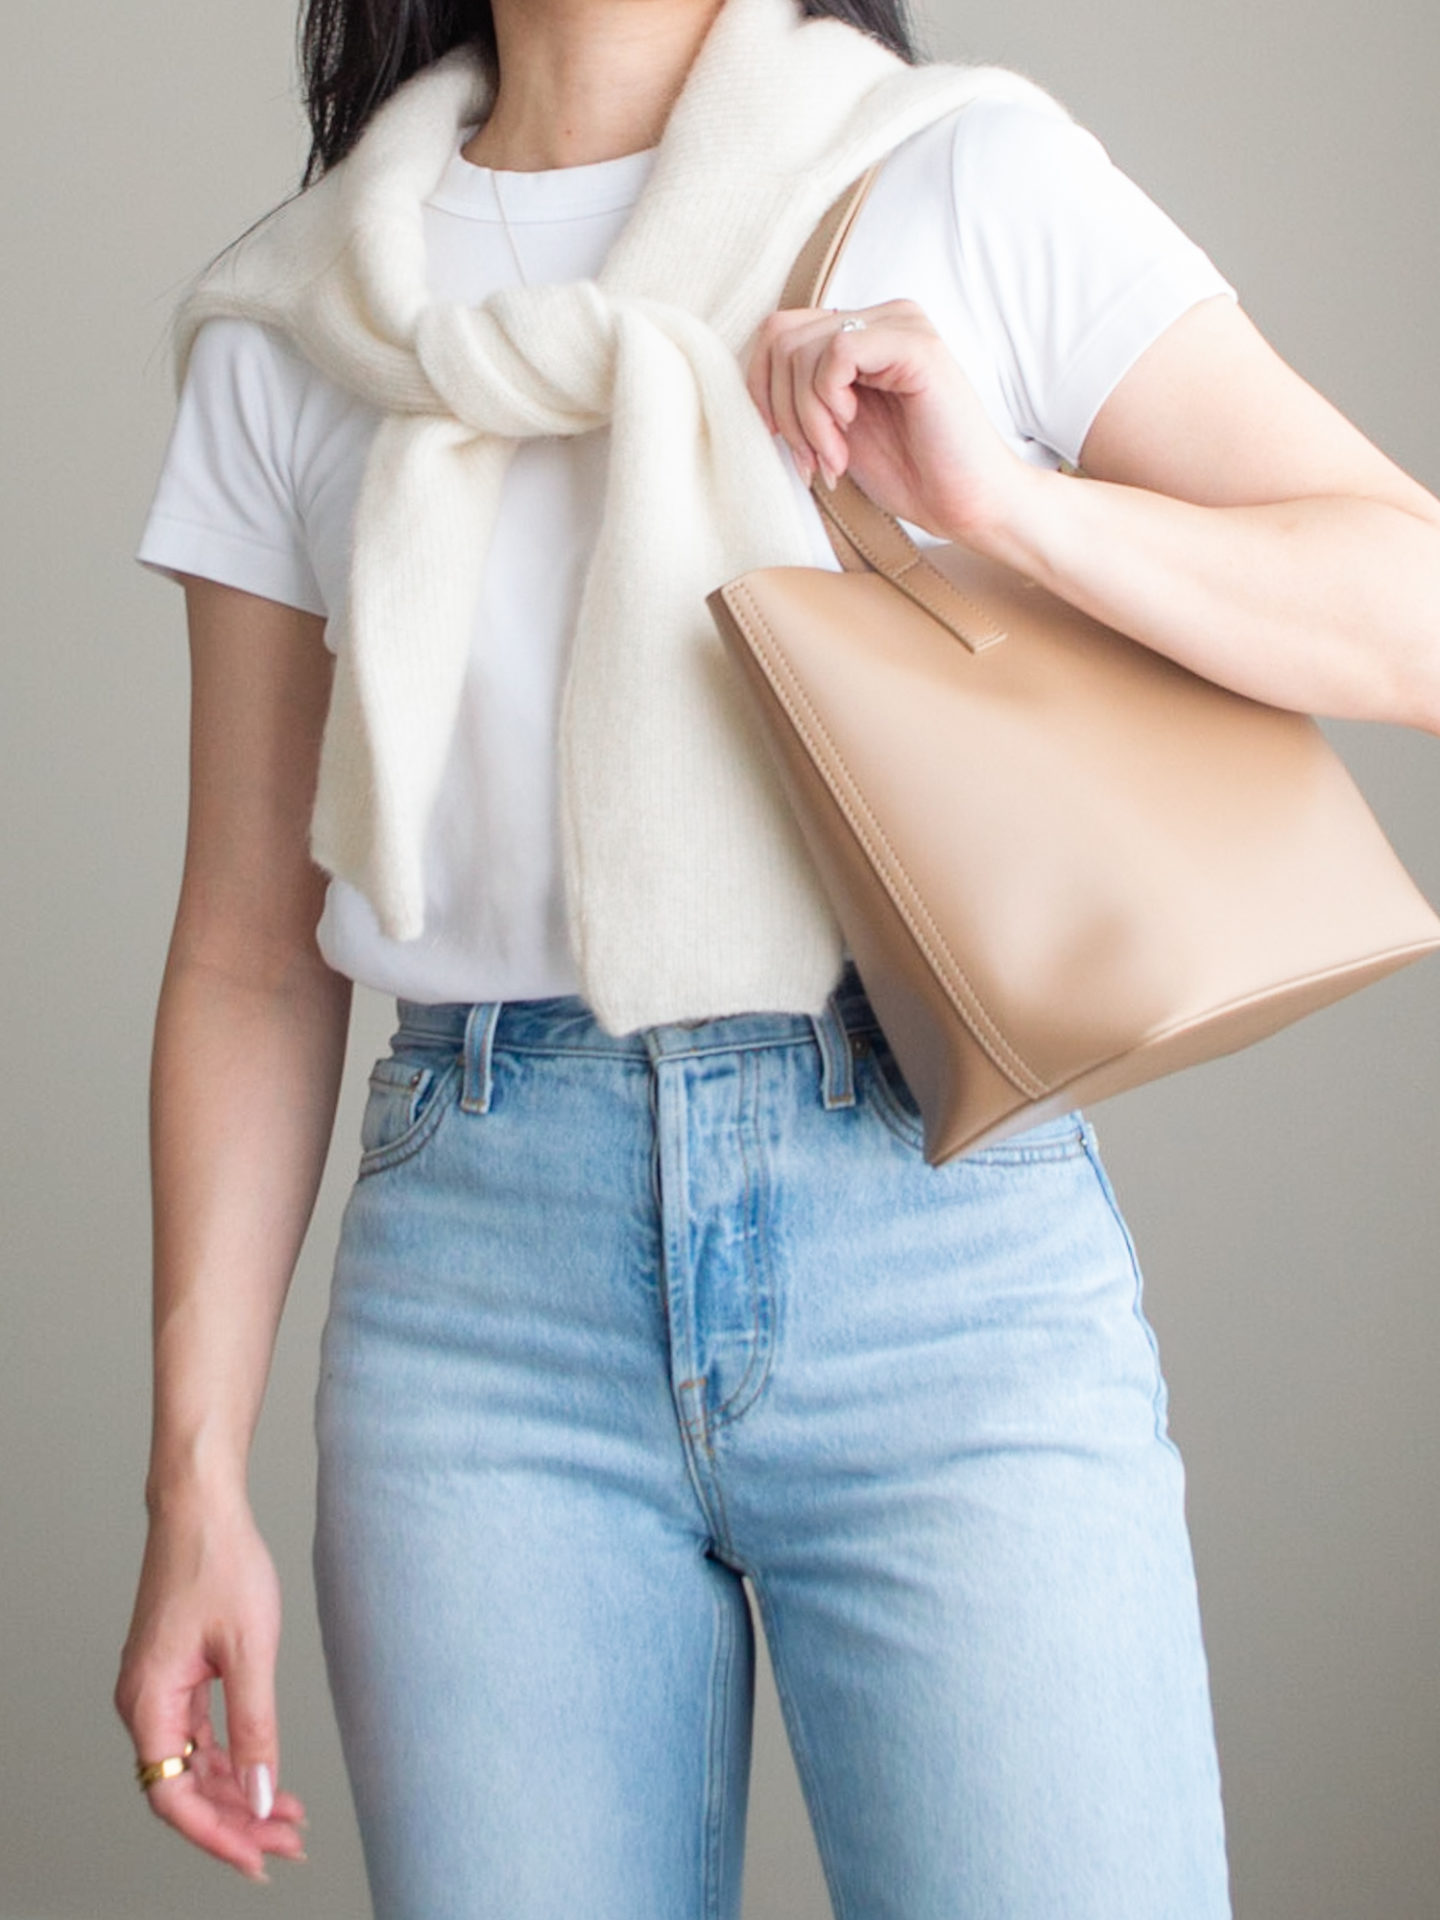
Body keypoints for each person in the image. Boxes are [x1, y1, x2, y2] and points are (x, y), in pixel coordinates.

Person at [113, 0, 1440, 1913]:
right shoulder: (300, 320)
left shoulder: (952, 174)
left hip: (932, 1240)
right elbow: (247, 942)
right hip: (481, 1318)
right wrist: (192, 1479)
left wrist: (1011, 508)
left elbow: (1407, 602)